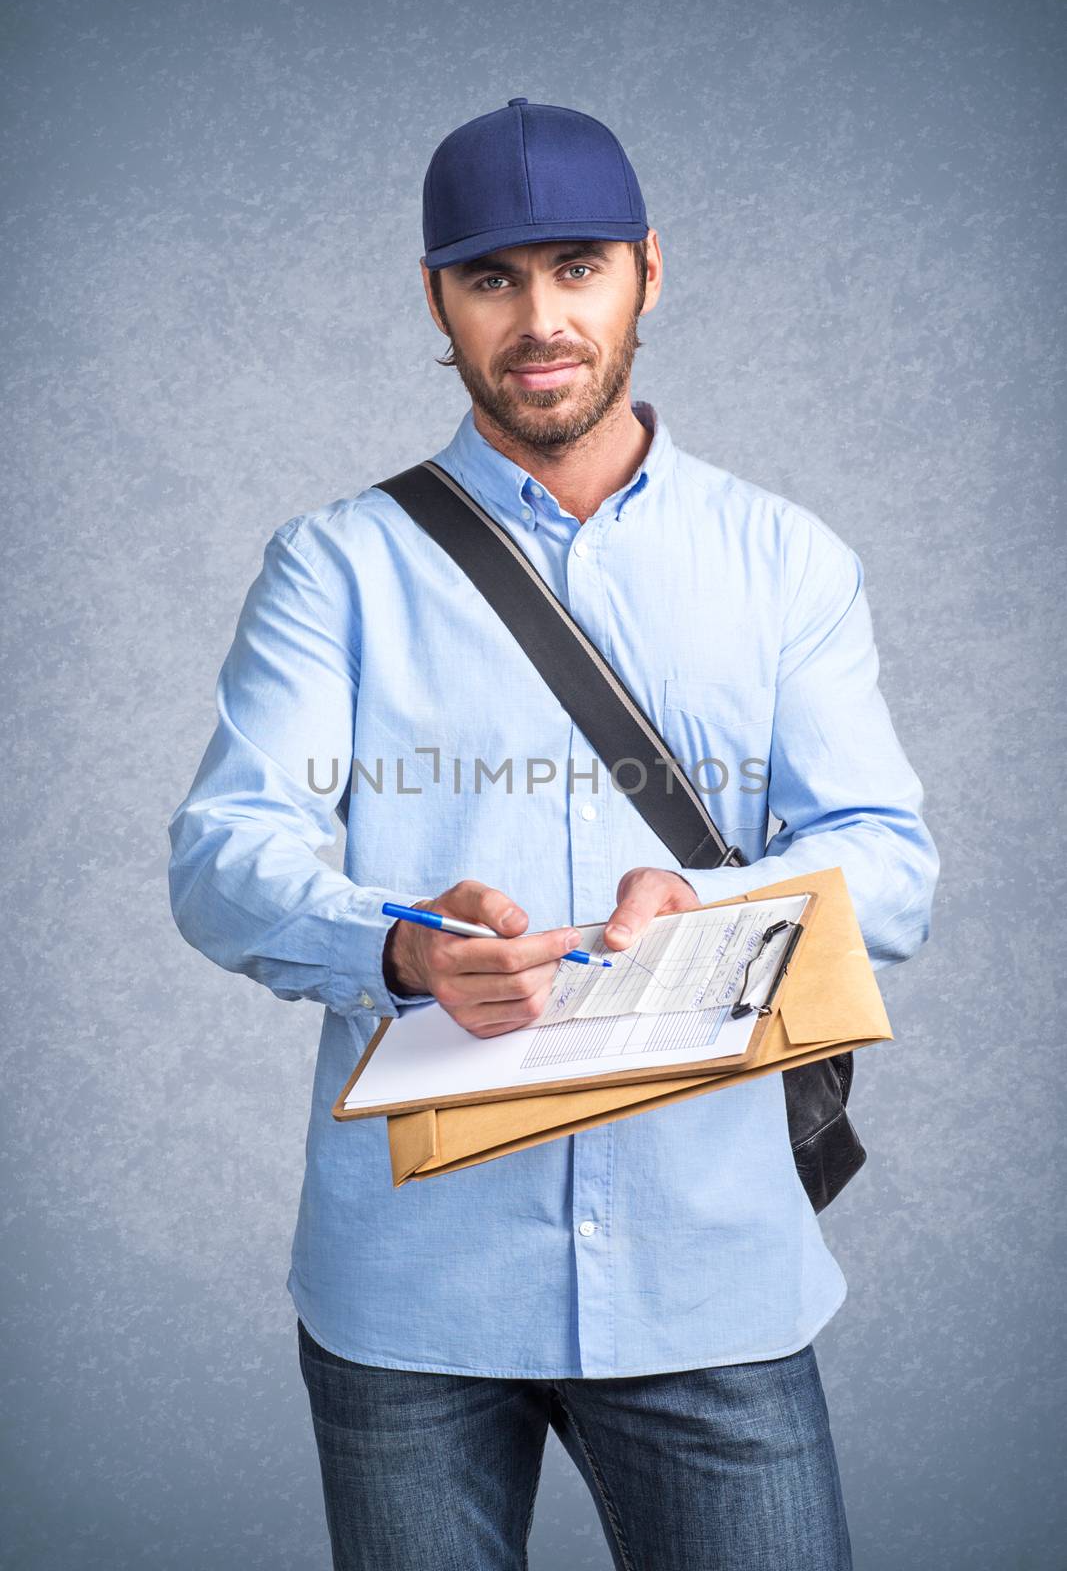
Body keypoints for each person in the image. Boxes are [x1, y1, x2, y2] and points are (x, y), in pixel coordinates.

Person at [167, 97, 939, 1571]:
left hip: (711, 1271)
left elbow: (891, 870)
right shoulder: (333, 569)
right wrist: (396, 946)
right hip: (411, 1288)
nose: (540, 319)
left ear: (650, 269)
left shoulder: (786, 563)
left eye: (578, 266)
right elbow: (222, 857)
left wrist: (718, 903)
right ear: (436, 299)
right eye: (491, 278)